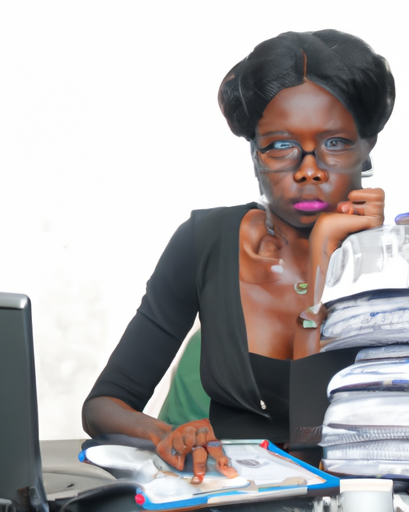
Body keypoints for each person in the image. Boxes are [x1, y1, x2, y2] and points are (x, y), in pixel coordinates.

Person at [82, 29, 394, 484]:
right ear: (254, 154)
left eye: (335, 143)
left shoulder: (395, 265)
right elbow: (104, 405)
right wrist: (167, 434)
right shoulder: (204, 242)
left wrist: (326, 255)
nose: (309, 170)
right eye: (281, 145)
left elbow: (311, 433)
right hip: (229, 497)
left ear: (366, 150)